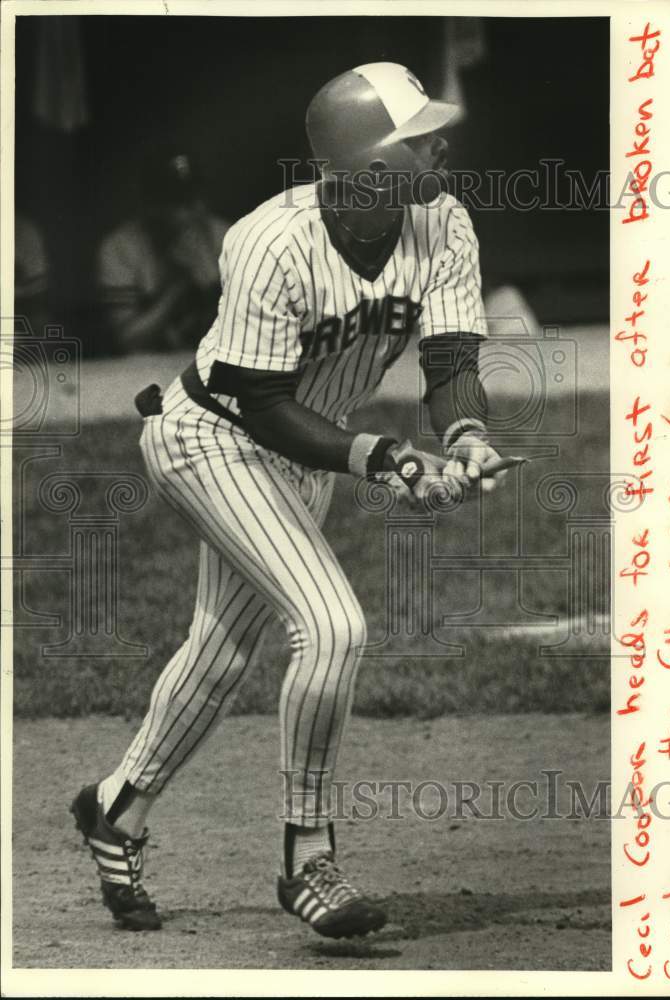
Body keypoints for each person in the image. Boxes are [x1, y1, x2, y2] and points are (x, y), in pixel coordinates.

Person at [71, 62, 510, 938]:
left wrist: (464, 435)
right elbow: (262, 402)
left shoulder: (443, 219)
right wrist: (387, 458)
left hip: (306, 449)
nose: (442, 144)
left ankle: (114, 810)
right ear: (373, 166)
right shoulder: (271, 240)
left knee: (221, 651)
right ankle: (307, 857)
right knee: (332, 625)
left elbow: (450, 360)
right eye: (421, 135)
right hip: (212, 437)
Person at [97, 152, 228, 353]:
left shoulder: (227, 238)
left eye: (193, 198)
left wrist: (210, 282)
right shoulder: (120, 247)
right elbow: (128, 339)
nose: (188, 211)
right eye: (175, 200)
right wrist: (177, 288)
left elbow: (248, 335)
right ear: (149, 204)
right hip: (148, 366)